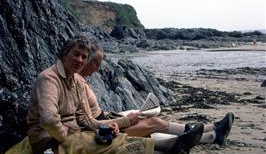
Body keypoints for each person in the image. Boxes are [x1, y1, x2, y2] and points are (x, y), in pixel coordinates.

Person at [27, 35, 204, 154]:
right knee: (104, 146)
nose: (80, 60)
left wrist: (104, 126)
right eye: (76, 54)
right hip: (47, 141)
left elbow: (85, 119)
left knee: (112, 137)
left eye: (84, 57)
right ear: (64, 54)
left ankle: (173, 149)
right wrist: (69, 136)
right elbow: (49, 120)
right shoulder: (49, 79)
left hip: (71, 133)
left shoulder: (77, 81)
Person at [79, 43, 235, 146]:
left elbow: (92, 113)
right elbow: (88, 122)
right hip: (104, 130)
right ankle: (212, 135)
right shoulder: (78, 84)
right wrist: (125, 120)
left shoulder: (80, 80)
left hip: (106, 120)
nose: (98, 69)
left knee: (147, 117)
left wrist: (114, 115)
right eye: (97, 63)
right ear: (86, 60)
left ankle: (211, 129)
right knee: (154, 123)